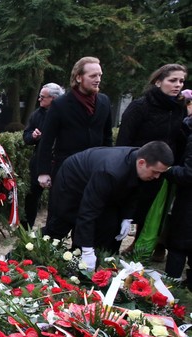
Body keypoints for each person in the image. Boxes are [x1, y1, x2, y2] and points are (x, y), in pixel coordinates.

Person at [43, 141, 173, 271]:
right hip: (73, 184)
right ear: (141, 163)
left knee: (108, 226)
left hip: (100, 184)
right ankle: (42, 256)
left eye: (160, 173)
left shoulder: (140, 165)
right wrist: (87, 250)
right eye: (155, 172)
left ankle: (87, 264)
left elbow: (134, 191)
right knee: (61, 225)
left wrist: (127, 218)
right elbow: (88, 211)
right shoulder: (111, 171)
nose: (157, 177)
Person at [116, 64, 187, 260]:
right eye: (172, 80)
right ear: (158, 81)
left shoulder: (178, 107)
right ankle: (113, 244)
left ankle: (144, 245)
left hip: (163, 168)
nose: (178, 85)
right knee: (130, 206)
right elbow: (123, 140)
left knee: (151, 210)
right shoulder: (140, 106)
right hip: (138, 165)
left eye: (181, 81)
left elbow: (177, 137)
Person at [37, 56, 113, 189]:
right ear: (78, 78)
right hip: (67, 171)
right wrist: (43, 172)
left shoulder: (104, 102)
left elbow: (107, 137)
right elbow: (46, 140)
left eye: (100, 75)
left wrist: (109, 165)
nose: (98, 80)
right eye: (93, 76)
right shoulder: (60, 105)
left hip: (95, 171)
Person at [22, 83, 65, 229]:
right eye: (39, 96)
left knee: (57, 198)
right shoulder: (37, 114)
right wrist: (33, 136)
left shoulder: (65, 112)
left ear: (53, 98)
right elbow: (26, 136)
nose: (39, 99)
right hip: (39, 160)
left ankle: (52, 231)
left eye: (42, 97)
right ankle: (26, 228)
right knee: (32, 197)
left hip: (59, 161)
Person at [165, 103, 192, 287]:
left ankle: (170, 287)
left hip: (189, 201)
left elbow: (188, 173)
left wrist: (166, 169)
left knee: (178, 244)